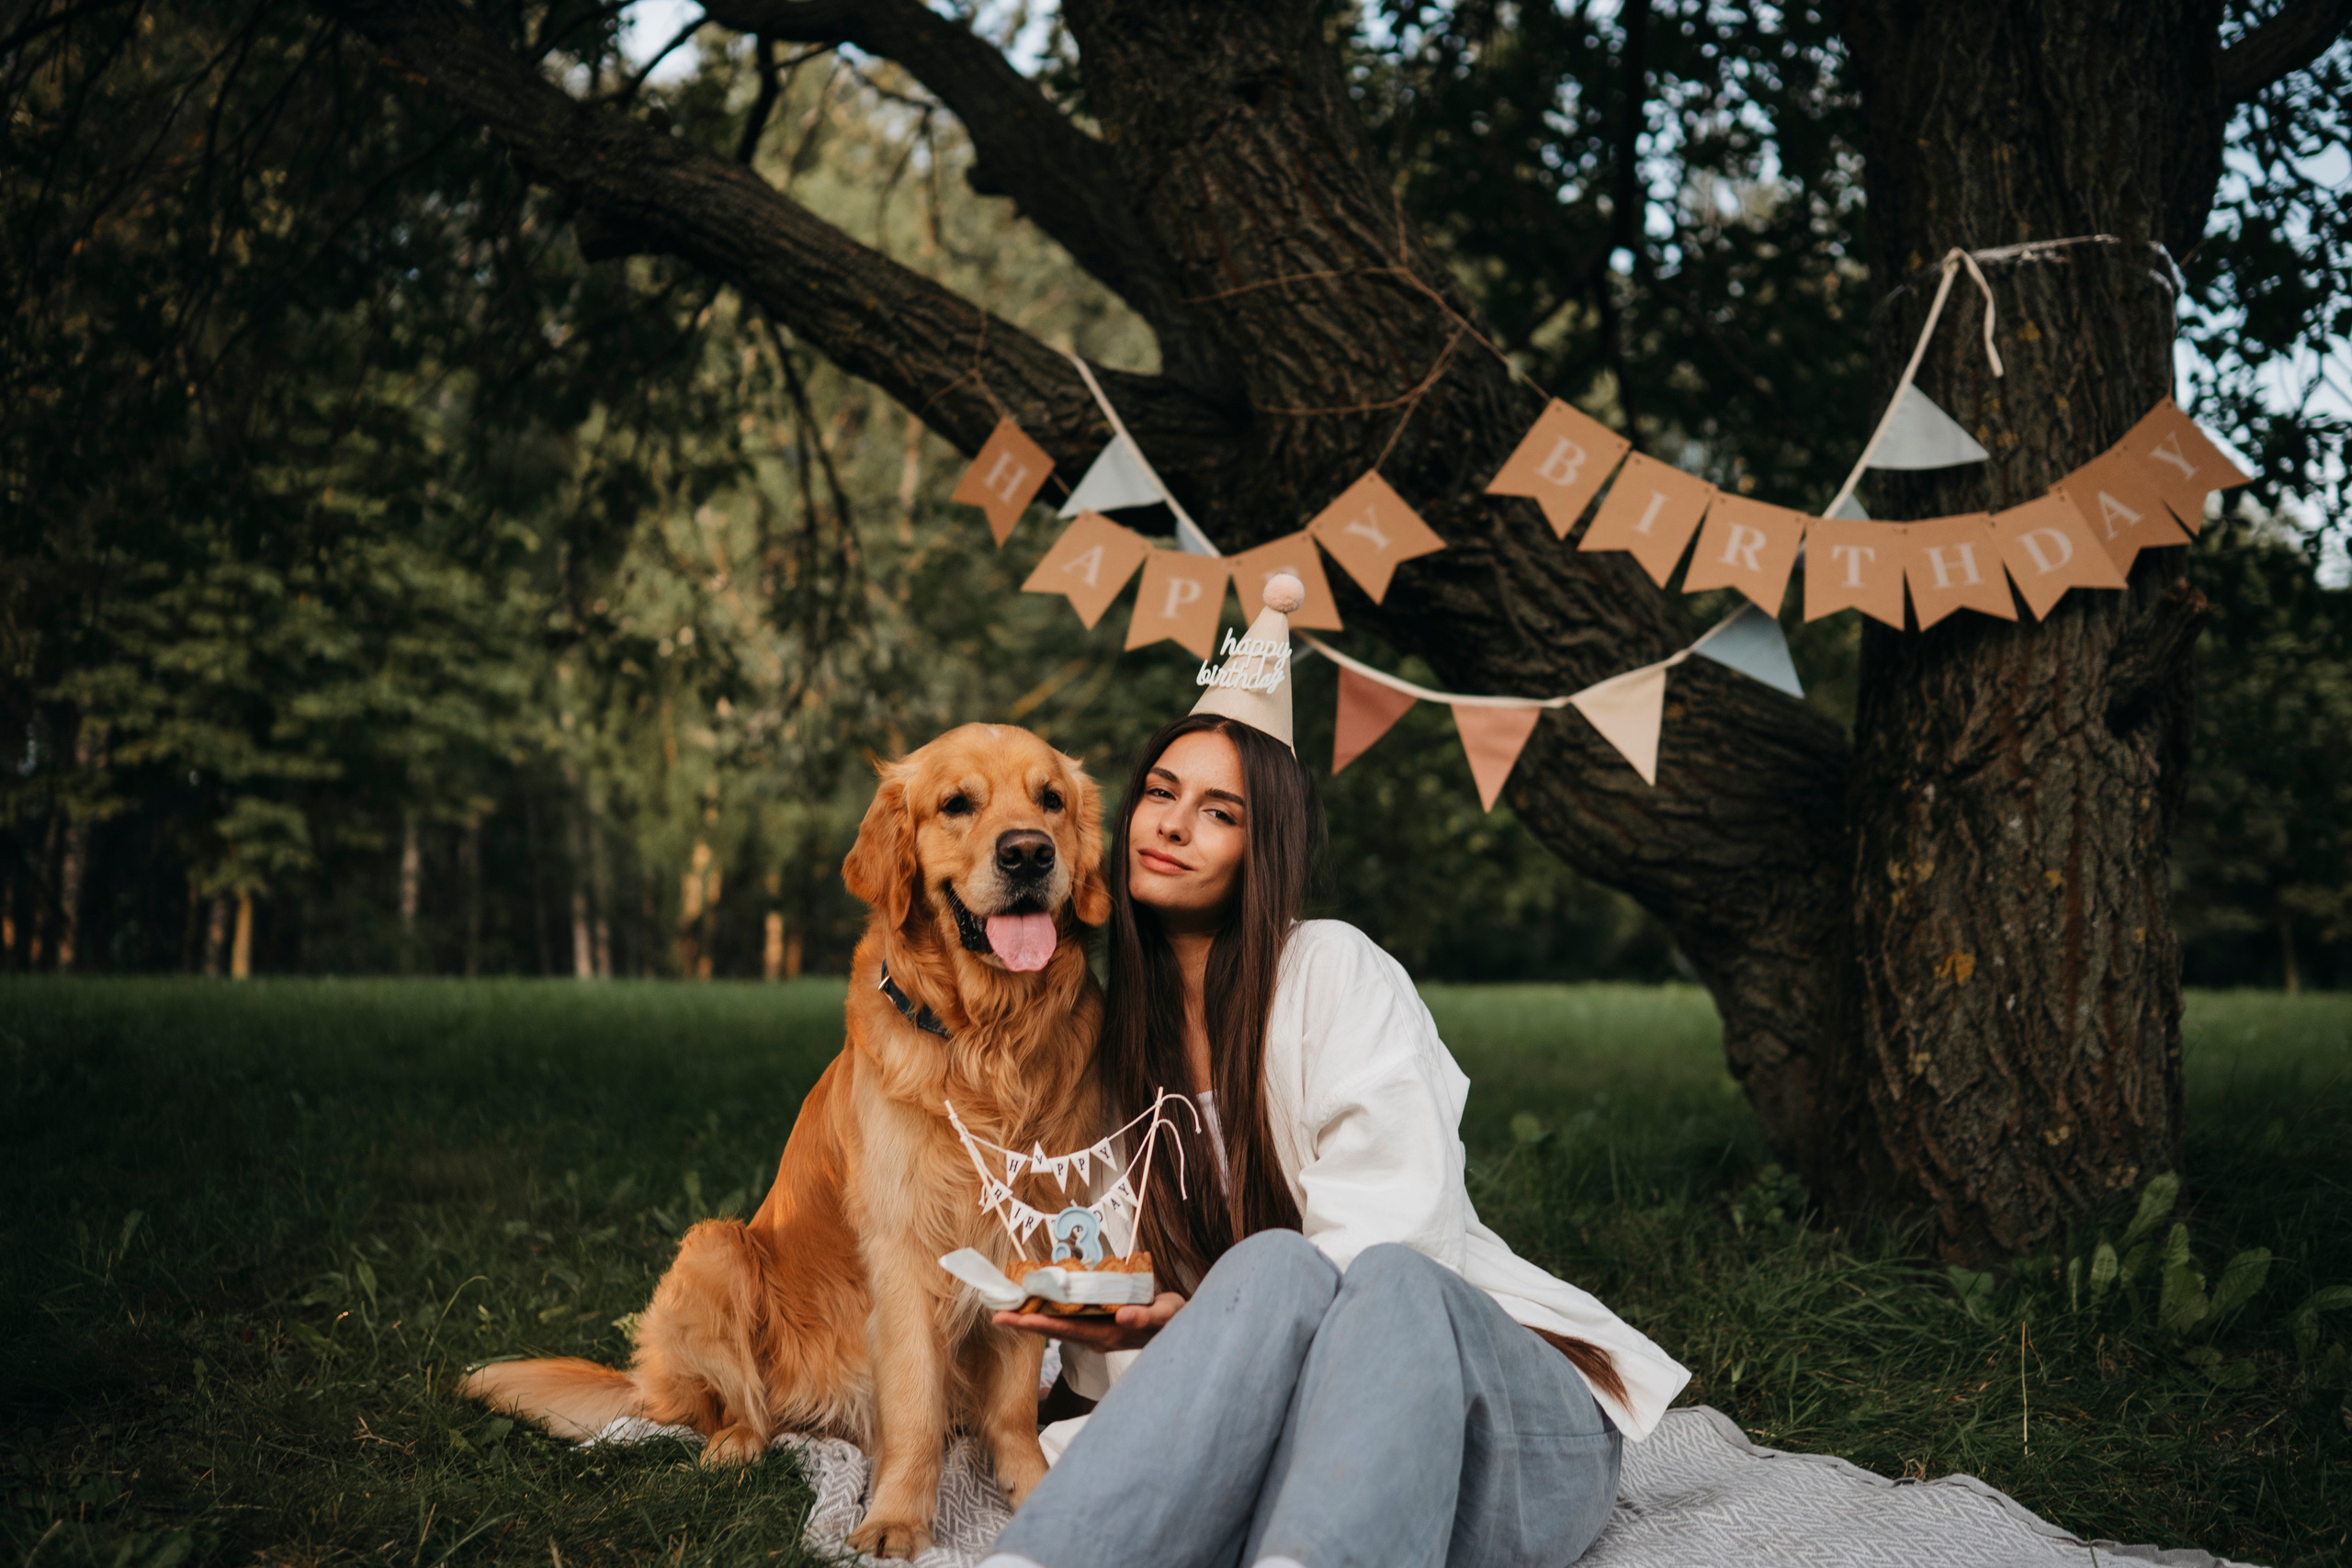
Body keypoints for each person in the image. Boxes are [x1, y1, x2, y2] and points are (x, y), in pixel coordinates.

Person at [978, 577, 1690, 1568]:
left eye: (1218, 812)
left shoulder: (1333, 970)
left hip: (1499, 1434)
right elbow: (1185, 1331)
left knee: (1372, 1274)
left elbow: (1401, 1238)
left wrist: (1221, 1336)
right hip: (1308, 1463)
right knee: (1264, 1269)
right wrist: (1152, 1320)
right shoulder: (1112, 1054)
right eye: (1160, 793)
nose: (1173, 825)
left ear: (1260, 845)